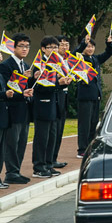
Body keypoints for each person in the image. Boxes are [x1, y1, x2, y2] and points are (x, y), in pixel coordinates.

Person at [31, 36, 67, 178]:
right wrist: (59, 83)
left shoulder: (57, 63)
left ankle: (48, 163)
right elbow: (40, 86)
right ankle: (39, 167)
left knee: (52, 136)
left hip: (55, 104)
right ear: (43, 49)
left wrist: (64, 82)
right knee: (42, 137)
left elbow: (57, 85)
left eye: (55, 47)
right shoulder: (39, 64)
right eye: (50, 47)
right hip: (43, 104)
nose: (54, 50)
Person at [0, 33, 34, 184]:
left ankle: (16, 170)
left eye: (27, 46)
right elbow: (8, 88)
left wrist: (31, 80)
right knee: (12, 143)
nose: (24, 49)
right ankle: (11, 172)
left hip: (24, 109)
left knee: (21, 142)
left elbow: (24, 88)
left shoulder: (26, 66)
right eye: (21, 46)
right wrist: (23, 77)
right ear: (13, 47)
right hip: (12, 110)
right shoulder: (5, 66)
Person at [75, 33, 112, 158]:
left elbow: (108, 54)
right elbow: (75, 53)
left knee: (93, 123)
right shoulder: (79, 58)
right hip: (85, 96)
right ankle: (82, 149)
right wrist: (82, 44)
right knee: (84, 124)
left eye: (92, 46)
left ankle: (90, 146)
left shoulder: (95, 59)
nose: (90, 49)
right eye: (88, 46)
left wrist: (109, 44)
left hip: (96, 95)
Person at [50, 35, 71, 170]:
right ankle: (49, 160)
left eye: (66, 44)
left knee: (60, 130)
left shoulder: (66, 60)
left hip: (64, 96)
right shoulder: (52, 62)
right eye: (60, 45)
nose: (64, 47)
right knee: (53, 130)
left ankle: (54, 158)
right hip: (54, 97)